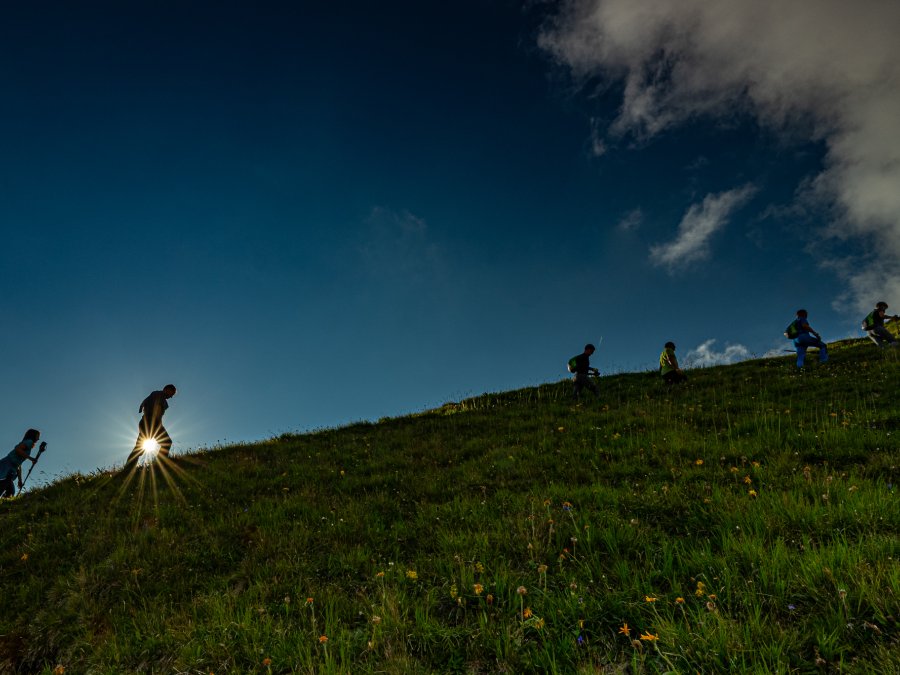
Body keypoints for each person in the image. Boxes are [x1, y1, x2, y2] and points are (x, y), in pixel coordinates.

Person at [126, 384, 177, 466]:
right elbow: (148, 404)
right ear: (166, 389)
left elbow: (156, 412)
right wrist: (143, 407)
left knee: (167, 442)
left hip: (156, 424)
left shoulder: (165, 403)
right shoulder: (157, 394)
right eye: (172, 393)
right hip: (148, 422)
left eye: (173, 395)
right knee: (140, 448)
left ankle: (160, 463)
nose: (171, 396)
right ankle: (129, 467)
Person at [0, 429, 41, 498]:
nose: (38, 438)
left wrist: (20, 480)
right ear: (33, 436)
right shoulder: (29, 442)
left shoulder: (28, 443)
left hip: (11, 467)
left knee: (10, 491)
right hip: (7, 464)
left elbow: (18, 465)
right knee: (7, 487)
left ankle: (5, 504)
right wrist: (31, 459)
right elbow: (18, 449)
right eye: (37, 436)